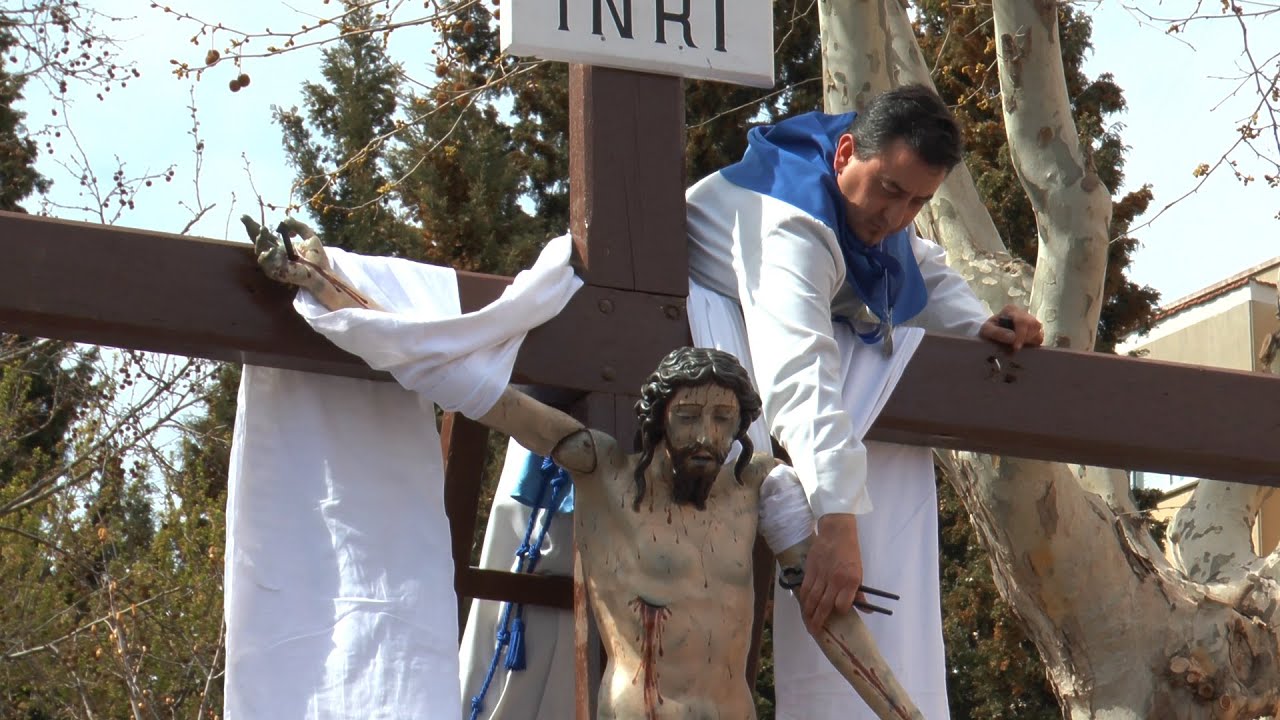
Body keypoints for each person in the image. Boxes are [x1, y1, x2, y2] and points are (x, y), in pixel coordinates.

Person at [683, 83, 1044, 718]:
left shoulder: (874, 202)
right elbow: (798, 371)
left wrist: (976, 323)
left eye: (918, 201)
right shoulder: (789, 223)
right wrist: (838, 520)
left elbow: (918, 264)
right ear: (845, 151)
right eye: (889, 191)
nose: (896, 216)